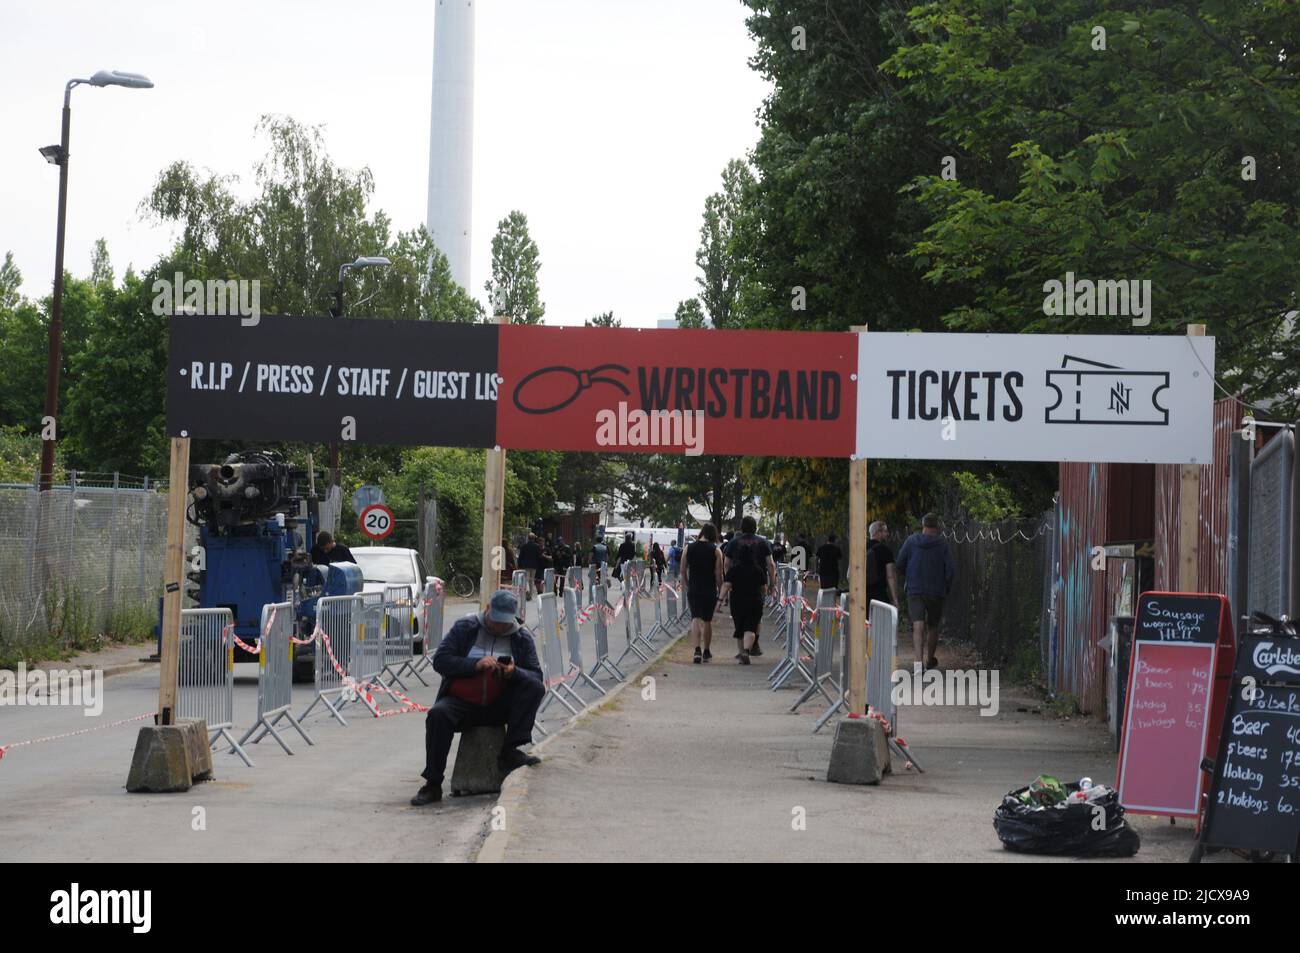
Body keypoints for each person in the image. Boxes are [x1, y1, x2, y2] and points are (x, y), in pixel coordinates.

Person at [411, 589, 544, 805]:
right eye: (496, 620)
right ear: (487, 609)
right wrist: (475, 664)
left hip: (499, 704)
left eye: (505, 623)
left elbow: (536, 675)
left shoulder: (520, 636)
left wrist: (513, 672)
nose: (499, 627)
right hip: (462, 700)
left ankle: (511, 751)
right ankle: (433, 783)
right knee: (438, 714)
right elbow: (441, 660)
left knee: (534, 687)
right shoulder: (466, 627)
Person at [895, 513, 954, 671]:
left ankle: (917, 662)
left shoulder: (911, 541)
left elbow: (900, 563)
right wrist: (945, 586)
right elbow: (950, 570)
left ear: (923, 525)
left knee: (918, 625)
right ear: (937, 526)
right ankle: (930, 659)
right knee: (933, 625)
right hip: (936, 590)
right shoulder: (942, 544)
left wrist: (910, 575)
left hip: (915, 589)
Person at [723, 516, 776, 658]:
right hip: (758, 582)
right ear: (755, 527)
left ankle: (742, 650)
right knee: (756, 615)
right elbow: (770, 564)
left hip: (738, 583)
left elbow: (727, 563)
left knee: (739, 616)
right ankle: (754, 643)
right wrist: (772, 583)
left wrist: (729, 579)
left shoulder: (733, 543)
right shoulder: (763, 542)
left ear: (742, 527)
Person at [720, 534, 767, 664]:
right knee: (751, 627)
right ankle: (746, 651)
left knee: (739, 628)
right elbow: (763, 587)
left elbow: (727, 585)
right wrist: (764, 596)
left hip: (737, 601)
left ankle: (742, 653)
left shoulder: (734, 570)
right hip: (754, 601)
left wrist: (720, 601)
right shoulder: (758, 570)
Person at [683, 523, 723, 663]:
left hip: (694, 588)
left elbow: (683, 570)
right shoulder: (716, 551)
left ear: (702, 533)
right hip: (709, 589)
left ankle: (696, 650)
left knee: (695, 618)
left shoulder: (688, 548)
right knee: (707, 620)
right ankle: (706, 651)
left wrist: (688, 584)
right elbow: (719, 574)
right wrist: (721, 593)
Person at [866, 521, 900, 607]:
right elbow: (890, 576)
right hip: (879, 596)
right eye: (885, 531)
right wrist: (895, 599)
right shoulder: (885, 550)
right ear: (878, 532)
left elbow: (849, 575)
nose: (887, 534)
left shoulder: (860, 547)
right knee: (880, 620)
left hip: (862, 596)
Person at [517, 533, 543, 597]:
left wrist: (519, 564)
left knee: (526, 579)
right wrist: (539, 565)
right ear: (534, 539)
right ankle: (530, 594)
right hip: (534, 566)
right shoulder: (537, 546)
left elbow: (521, 556)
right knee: (532, 580)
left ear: (528, 538)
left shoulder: (524, 546)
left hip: (525, 565)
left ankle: (527, 591)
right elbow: (539, 557)